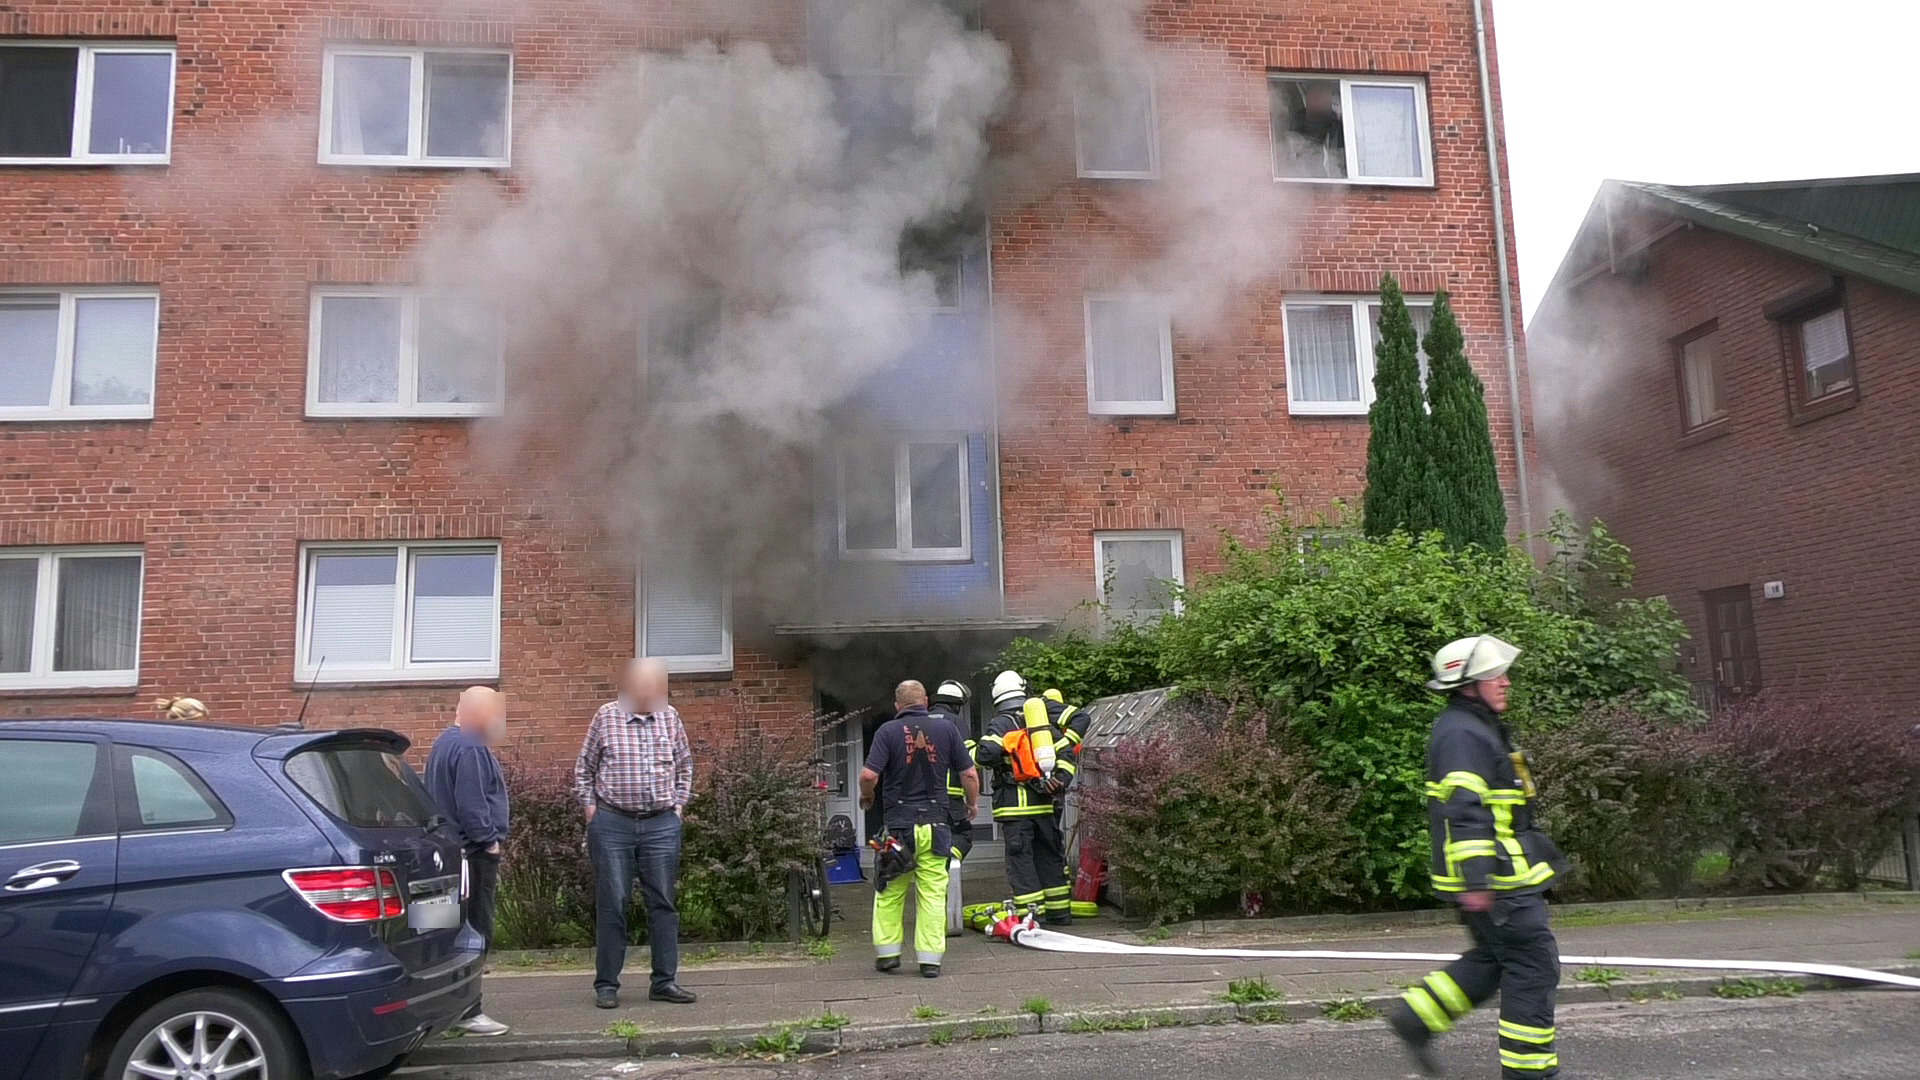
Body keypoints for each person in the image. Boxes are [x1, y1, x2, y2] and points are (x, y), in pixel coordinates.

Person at [1387, 635, 1567, 1079]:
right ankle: (1530, 1074)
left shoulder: (1471, 726)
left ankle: (1416, 1017)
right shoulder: (1464, 734)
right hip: (1501, 883)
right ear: (1469, 684)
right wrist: (1477, 881)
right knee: (1533, 969)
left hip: (1500, 878)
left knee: (1493, 959)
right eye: (1494, 675)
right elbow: (1464, 811)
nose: (1505, 682)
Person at [575, 658, 697, 1009]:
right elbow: (584, 767)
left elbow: (685, 764)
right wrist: (590, 807)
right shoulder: (606, 716)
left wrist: (678, 807)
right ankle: (607, 984)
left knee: (663, 904)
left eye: (658, 686)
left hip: (661, 823)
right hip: (613, 823)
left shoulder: (670, 717)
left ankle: (664, 982)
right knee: (613, 903)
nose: (652, 692)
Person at [862, 680, 977, 977]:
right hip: (936, 827)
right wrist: (972, 804)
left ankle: (888, 955)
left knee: (889, 889)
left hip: (899, 830)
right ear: (925, 701)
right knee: (932, 894)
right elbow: (969, 774)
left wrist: (867, 795)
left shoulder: (887, 731)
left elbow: (868, 775)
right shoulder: (949, 730)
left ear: (897, 705)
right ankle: (930, 961)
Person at [424, 686, 512, 1037]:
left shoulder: (443, 742)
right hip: (470, 857)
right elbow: (472, 804)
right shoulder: (471, 746)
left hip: (441, 856)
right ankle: (469, 1011)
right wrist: (490, 842)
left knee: (436, 932)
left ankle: (436, 1010)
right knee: (475, 930)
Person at [973, 671, 1072, 926]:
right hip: (1045, 806)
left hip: (1014, 808)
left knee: (1021, 861)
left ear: (997, 697)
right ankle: (1060, 913)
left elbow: (986, 754)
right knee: (1050, 856)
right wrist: (1059, 780)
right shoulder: (1040, 723)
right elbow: (1067, 753)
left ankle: (1031, 916)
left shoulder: (1001, 723)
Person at [927, 679, 976, 936]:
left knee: (928, 845)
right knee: (963, 836)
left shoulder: (919, 720)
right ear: (957, 705)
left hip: (920, 801)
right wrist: (972, 801)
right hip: (951, 800)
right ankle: (948, 860)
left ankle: (937, 870)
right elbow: (967, 768)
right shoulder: (956, 724)